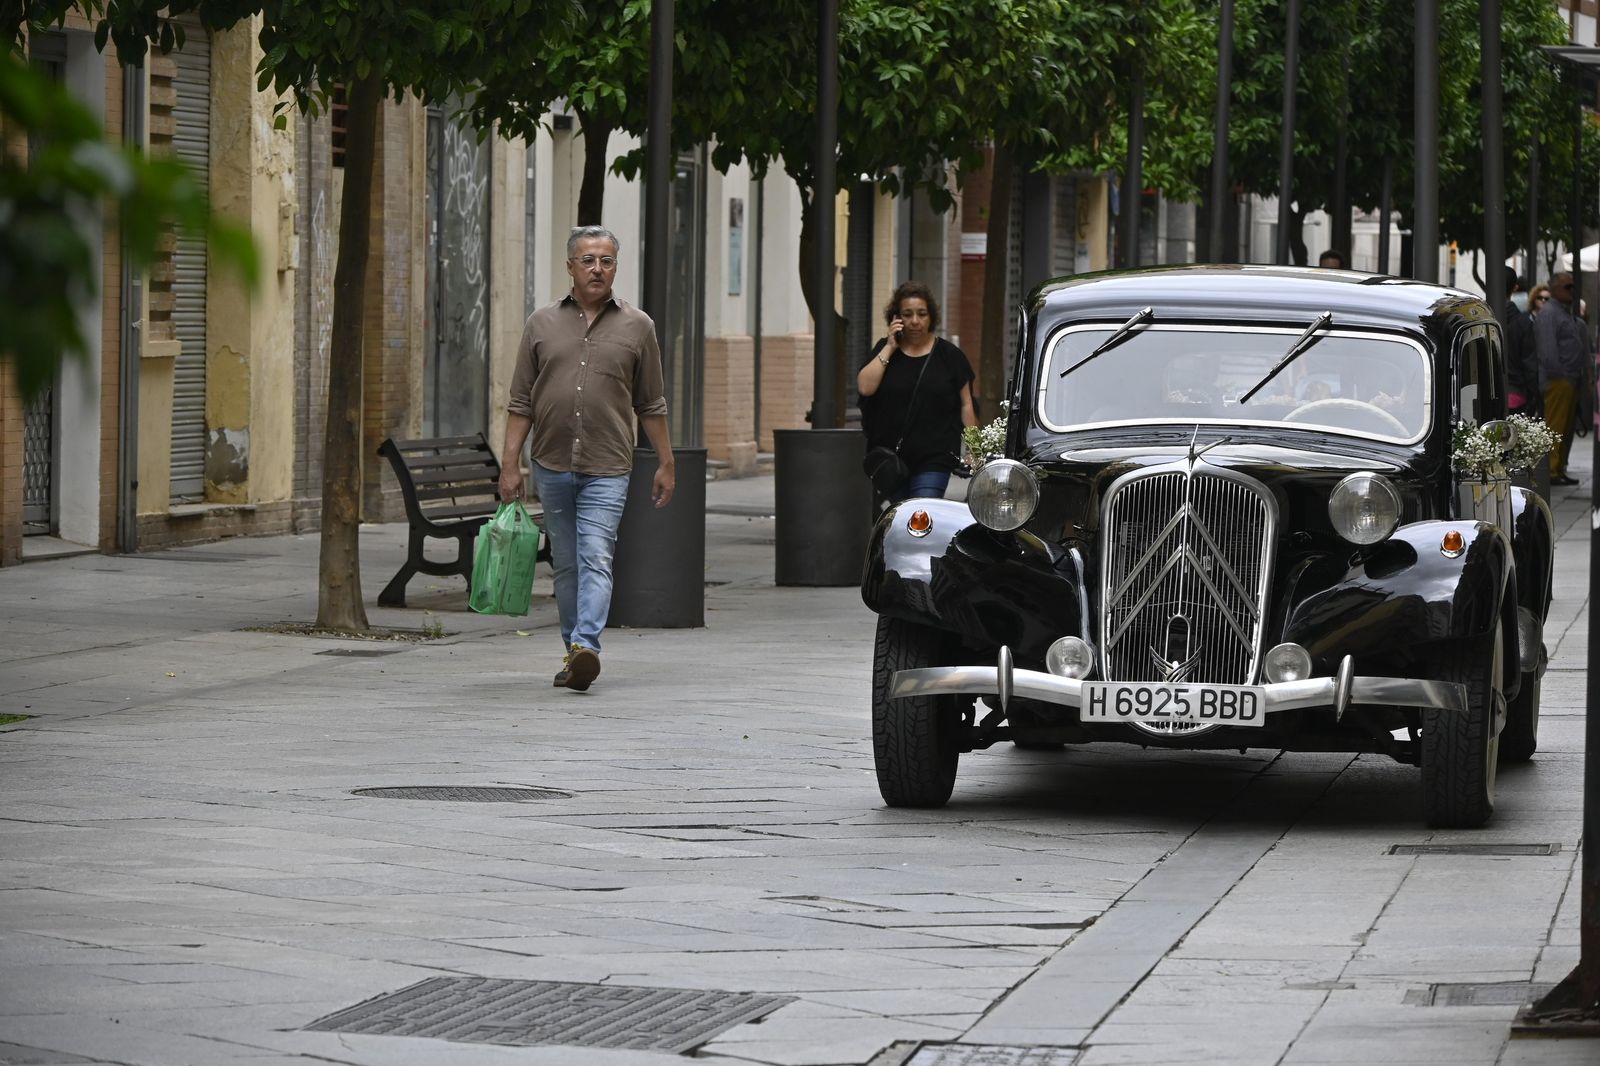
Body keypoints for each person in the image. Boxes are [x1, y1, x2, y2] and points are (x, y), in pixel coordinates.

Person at [499, 225, 675, 691]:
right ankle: (573, 652)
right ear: (571, 267)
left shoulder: (639, 326)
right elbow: (521, 402)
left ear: (616, 265)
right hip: (551, 463)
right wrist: (510, 464)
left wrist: (666, 462)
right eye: (588, 260)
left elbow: (651, 403)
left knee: (596, 555)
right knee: (567, 565)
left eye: (607, 260)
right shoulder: (541, 323)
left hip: (609, 465)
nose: (598, 268)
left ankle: (586, 647)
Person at [856, 281, 977, 504]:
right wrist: (890, 346)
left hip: (934, 457)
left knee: (921, 512)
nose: (914, 321)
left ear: (930, 317)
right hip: (892, 458)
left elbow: (966, 404)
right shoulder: (885, 349)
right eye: (907, 314)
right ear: (896, 318)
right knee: (901, 519)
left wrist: (975, 450)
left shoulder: (949, 356)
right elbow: (865, 387)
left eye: (921, 314)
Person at [1535, 271, 1590, 486]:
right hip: (1558, 380)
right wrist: (1562, 375)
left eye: (1573, 286)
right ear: (1556, 289)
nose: (1572, 290)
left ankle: (1559, 467)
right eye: (1568, 286)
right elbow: (1548, 352)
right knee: (1556, 426)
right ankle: (1551, 470)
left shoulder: (1564, 313)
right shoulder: (1549, 313)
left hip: (1568, 379)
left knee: (1565, 427)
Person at [1502, 266, 1540, 415]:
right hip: (1516, 394)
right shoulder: (1523, 323)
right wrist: (1535, 396)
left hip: (1480, 396)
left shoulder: (1478, 319)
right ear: (1515, 288)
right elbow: (1530, 364)